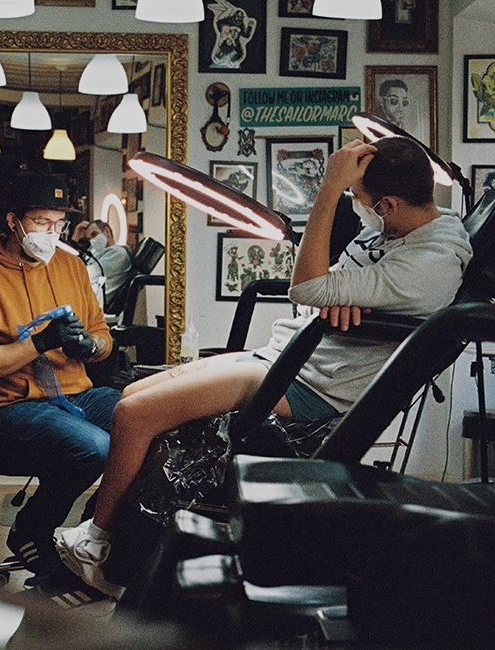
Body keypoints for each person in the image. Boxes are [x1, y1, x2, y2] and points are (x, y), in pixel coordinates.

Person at [56, 136, 473, 598]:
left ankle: (98, 544)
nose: (358, 209)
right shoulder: (399, 230)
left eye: (359, 199)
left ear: (388, 204)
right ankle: (124, 541)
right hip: (290, 356)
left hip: (310, 383)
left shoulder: (428, 265)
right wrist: (334, 294)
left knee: (132, 415)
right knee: (132, 395)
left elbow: (306, 287)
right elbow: (319, 290)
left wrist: (328, 190)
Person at [0, 172, 120, 602]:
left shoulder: (71, 266)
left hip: (76, 395)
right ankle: (32, 530)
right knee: (94, 446)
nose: (52, 233)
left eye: (59, 224)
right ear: (14, 221)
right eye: (41, 222)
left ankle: (92, 537)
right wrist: (39, 343)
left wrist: (89, 346)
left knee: (143, 422)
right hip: (9, 407)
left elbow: (103, 337)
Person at [72, 220, 133, 313]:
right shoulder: (95, 252)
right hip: (84, 298)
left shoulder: (117, 253)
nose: (92, 240)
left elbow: (84, 276)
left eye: (94, 234)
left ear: (107, 231)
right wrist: (75, 238)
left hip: (94, 304)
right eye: (89, 238)